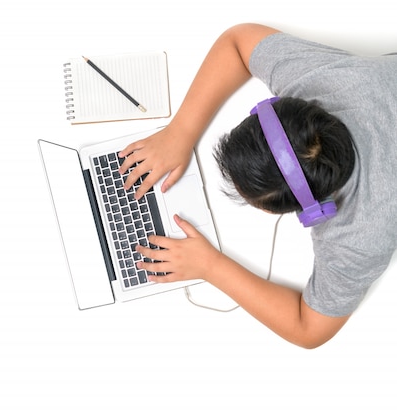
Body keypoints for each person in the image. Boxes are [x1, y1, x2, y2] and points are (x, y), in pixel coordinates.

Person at [117, 23, 397, 349]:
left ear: (312, 212)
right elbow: (238, 42)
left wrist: (209, 265)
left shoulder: (361, 234)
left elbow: (309, 330)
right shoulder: (321, 79)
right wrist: (179, 132)